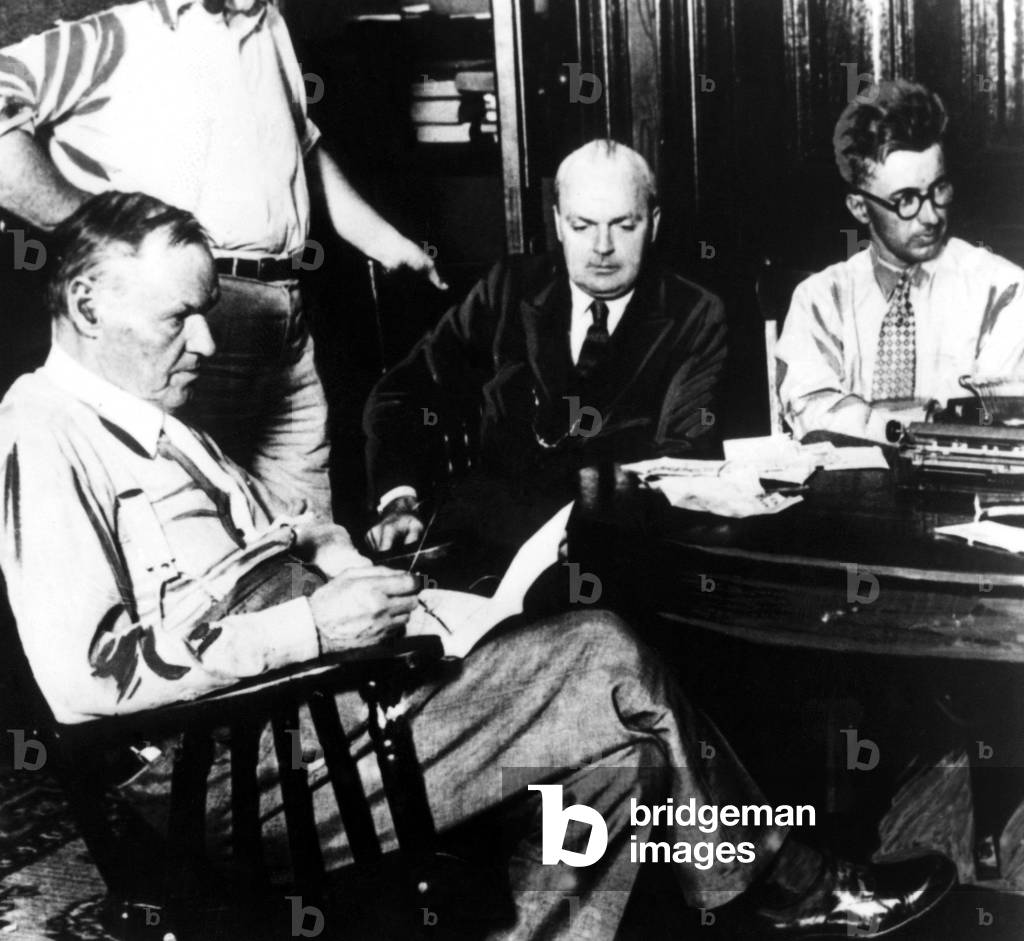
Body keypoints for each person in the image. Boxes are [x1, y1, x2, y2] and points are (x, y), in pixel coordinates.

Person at [0, 191, 955, 940]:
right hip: (231, 768)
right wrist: (317, 626)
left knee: (619, 759)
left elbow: (283, 531)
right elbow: (88, 676)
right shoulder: (43, 432)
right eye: (179, 318)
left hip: (318, 710)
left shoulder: (162, 424)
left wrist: (347, 561)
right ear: (86, 302)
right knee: (603, 649)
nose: (206, 342)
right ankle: (793, 885)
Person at [0, 0, 444, 519]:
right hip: (187, 324)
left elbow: (299, 148)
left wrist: (385, 242)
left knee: (306, 528)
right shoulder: (116, 33)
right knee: (202, 526)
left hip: (285, 314)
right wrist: (100, 233)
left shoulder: (268, 22)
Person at [363, 138, 727, 555]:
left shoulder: (695, 314)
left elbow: (683, 455)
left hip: (618, 547)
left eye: (624, 225)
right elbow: (402, 392)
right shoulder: (507, 289)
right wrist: (398, 502)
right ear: (557, 223)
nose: (603, 247)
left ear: (654, 223)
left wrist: (607, 530)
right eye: (582, 225)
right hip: (487, 541)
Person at [776, 79, 1024, 442]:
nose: (931, 217)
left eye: (939, 189)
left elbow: (999, 415)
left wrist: (861, 419)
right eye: (906, 199)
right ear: (859, 207)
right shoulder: (820, 299)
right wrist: (909, 426)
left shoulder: (1002, 290)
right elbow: (810, 411)